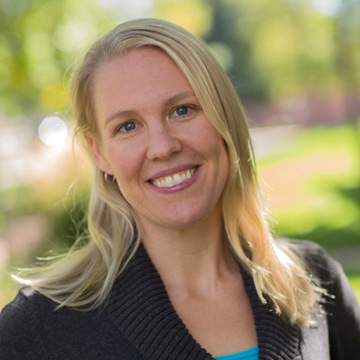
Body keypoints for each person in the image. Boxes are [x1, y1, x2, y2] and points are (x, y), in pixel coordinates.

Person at [0, 18, 359, 360]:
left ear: (225, 119)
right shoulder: (38, 328)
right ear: (100, 153)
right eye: (127, 127)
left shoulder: (314, 280)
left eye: (182, 110)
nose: (162, 147)